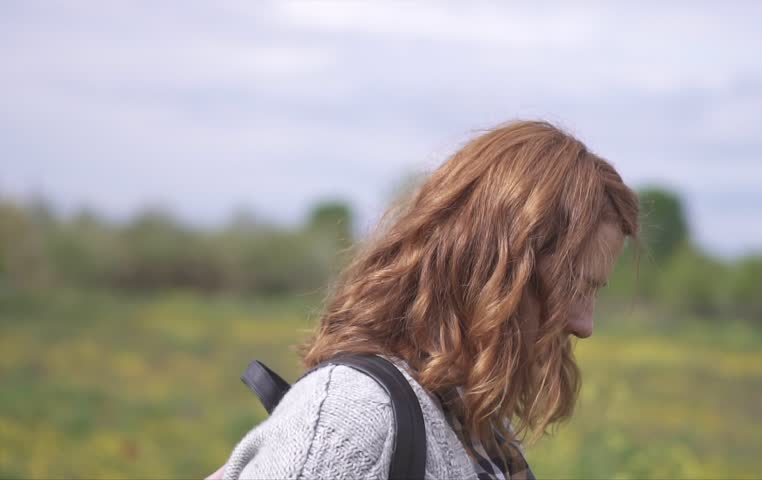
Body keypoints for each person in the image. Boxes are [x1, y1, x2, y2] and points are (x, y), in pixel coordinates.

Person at [207, 119, 640, 480]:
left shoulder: (477, 423)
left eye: (592, 291)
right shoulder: (351, 421)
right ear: (490, 268)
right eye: (572, 286)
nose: (584, 325)